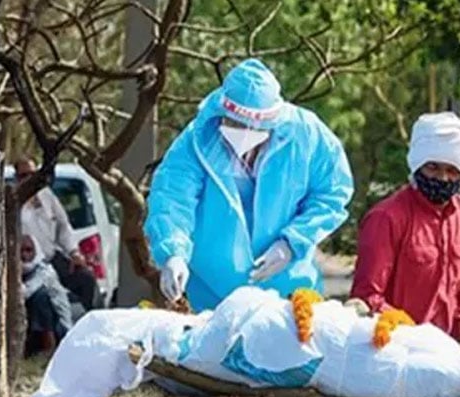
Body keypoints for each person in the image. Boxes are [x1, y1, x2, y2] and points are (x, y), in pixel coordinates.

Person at [144, 58, 354, 311]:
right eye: (235, 123)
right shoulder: (198, 140)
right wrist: (173, 252)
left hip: (288, 286)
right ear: (222, 113)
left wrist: (293, 242)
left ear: (273, 122)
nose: (244, 133)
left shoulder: (307, 136)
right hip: (213, 291)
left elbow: (332, 193)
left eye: (254, 127)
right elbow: (172, 198)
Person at [350, 112, 460, 343]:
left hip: (452, 354)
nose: (442, 178)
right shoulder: (387, 218)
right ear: (418, 165)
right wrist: (414, 336)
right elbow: (368, 297)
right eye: (433, 167)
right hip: (398, 351)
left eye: (452, 171)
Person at [14, 159, 100, 311]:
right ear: (17, 177)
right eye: (24, 175)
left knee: (86, 279)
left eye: (33, 174)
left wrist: (74, 253)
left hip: (51, 258)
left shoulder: (46, 196)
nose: (29, 179)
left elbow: (63, 226)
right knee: (42, 297)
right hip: (26, 264)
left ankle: (87, 323)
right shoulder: (13, 201)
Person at [20, 234, 73, 356]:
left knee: (40, 296)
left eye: (28, 250)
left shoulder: (45, 271)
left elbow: (26, 292)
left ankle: (49, 345)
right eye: (21, 251)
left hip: (59, 325)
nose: (24, 255)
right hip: (30, 326)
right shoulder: (22, 271)